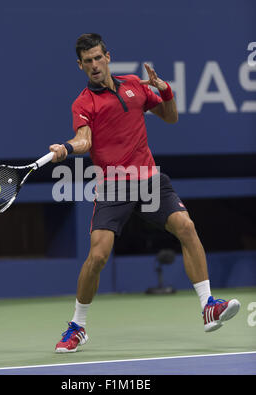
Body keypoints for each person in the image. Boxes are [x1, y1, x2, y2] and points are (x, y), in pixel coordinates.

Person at [49, 33, 240, 353]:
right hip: (113, 185)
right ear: (80, 65)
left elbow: (170, 116)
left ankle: (208, 305)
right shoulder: (84, 103)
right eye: (88, 61)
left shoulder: (135, 86)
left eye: (98, 58)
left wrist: (164, 90)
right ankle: (78, 326)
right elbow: (84, 141)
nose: (94, 65)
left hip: (149, 178)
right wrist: (66, 148)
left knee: (187, 227)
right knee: (98, 255)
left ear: (107, 57)